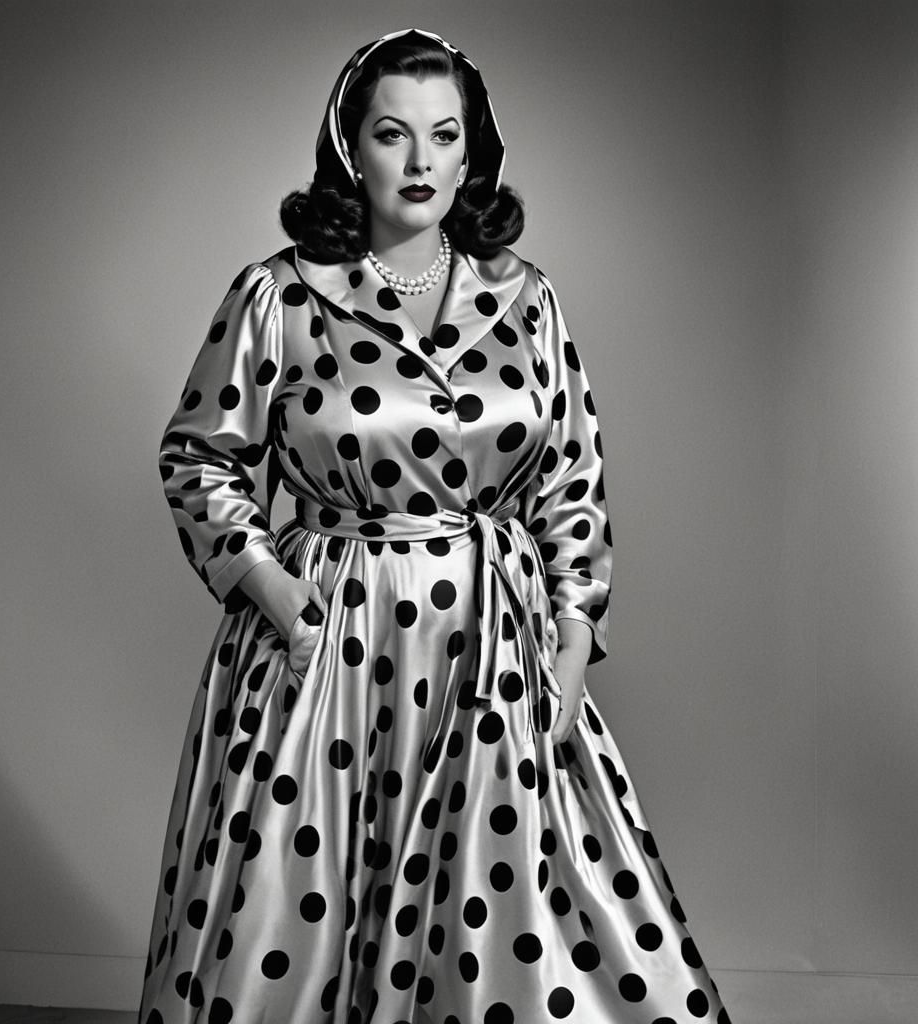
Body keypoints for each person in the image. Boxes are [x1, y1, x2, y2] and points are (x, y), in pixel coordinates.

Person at [139, 27, 732, 1024]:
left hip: (494, 643)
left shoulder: (527, 298)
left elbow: (571, 478)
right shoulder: (277, 294)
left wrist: (572, 635)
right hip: (327, 648)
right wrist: (278, 595)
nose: (419, 161)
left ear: (472, 151)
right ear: (349, 147)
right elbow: (200, 457)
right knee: (298, 916)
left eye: (443, 135)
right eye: (392, 133)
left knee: (514, 916)